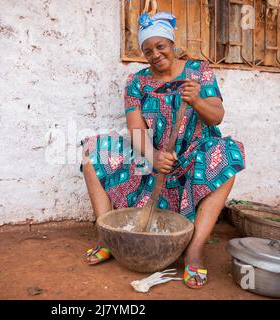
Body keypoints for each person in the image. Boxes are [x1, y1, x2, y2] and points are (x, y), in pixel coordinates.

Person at [80, 12, 245, 289]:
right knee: (92, 152)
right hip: (152, 155)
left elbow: (216, 116)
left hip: (193, 155)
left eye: (160, 46)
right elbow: (135, 127)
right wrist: (152, 156)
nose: (155, 54)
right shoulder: (137, 82)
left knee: (228, 156)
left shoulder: (198, 71)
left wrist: (197, 101)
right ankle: (107, 237)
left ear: (171, 43)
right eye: (148, 51)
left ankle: (194, 250)